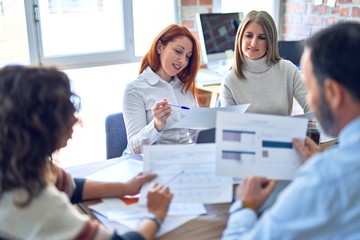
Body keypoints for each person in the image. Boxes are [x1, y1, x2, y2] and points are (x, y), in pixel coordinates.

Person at [0, 65, 173, 240]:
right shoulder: (37, 204)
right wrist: (155, 215)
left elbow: (68, 186)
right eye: (66, 110)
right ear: (39, 125)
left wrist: (125, 187)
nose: (75, 118)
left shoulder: (17, 163)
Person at [222, 22, 360, 239]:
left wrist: (245, 205)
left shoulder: (327, 178)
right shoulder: (230, 78)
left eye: (311, 87)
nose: (311, 101)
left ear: (333, 92)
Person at [122, 24, 200, 155]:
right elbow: (134, 148)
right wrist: (157, 124)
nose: (182, 60)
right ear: (159, 47)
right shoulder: (135, 90)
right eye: (178, 51)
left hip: (183, 160)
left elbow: (196, 135)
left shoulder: (185, 88)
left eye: (188, 56)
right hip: (150, 162)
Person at [220, 10, 311, 115]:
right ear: (240, 38)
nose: (254, 43)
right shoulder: (229, 80)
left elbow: (312, 108)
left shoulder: (288, 70)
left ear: (269, 42)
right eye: (249, 36)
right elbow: (228, 125)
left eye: (262, 38)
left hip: (282, 131)